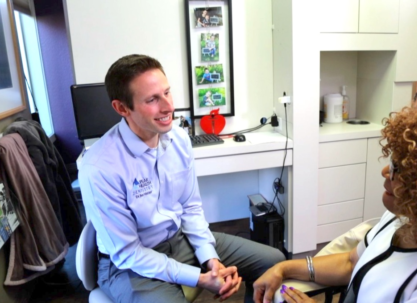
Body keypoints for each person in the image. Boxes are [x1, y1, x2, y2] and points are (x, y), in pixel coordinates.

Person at [253, 106, 417, 303]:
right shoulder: (405, 220)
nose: (385, 172)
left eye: (397, 168)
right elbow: (350, 263)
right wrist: (284, 267)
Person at [79, 54, 285, 303]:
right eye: (152, 99)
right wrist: (199, 279)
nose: (167, 107)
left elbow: (190, 207)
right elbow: (128, 253)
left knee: (273, 262)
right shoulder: (100, 168)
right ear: (122, 108)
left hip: (178, 241)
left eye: (167, 93)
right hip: (129, 265)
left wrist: (212, 260)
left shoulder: (178, 139)